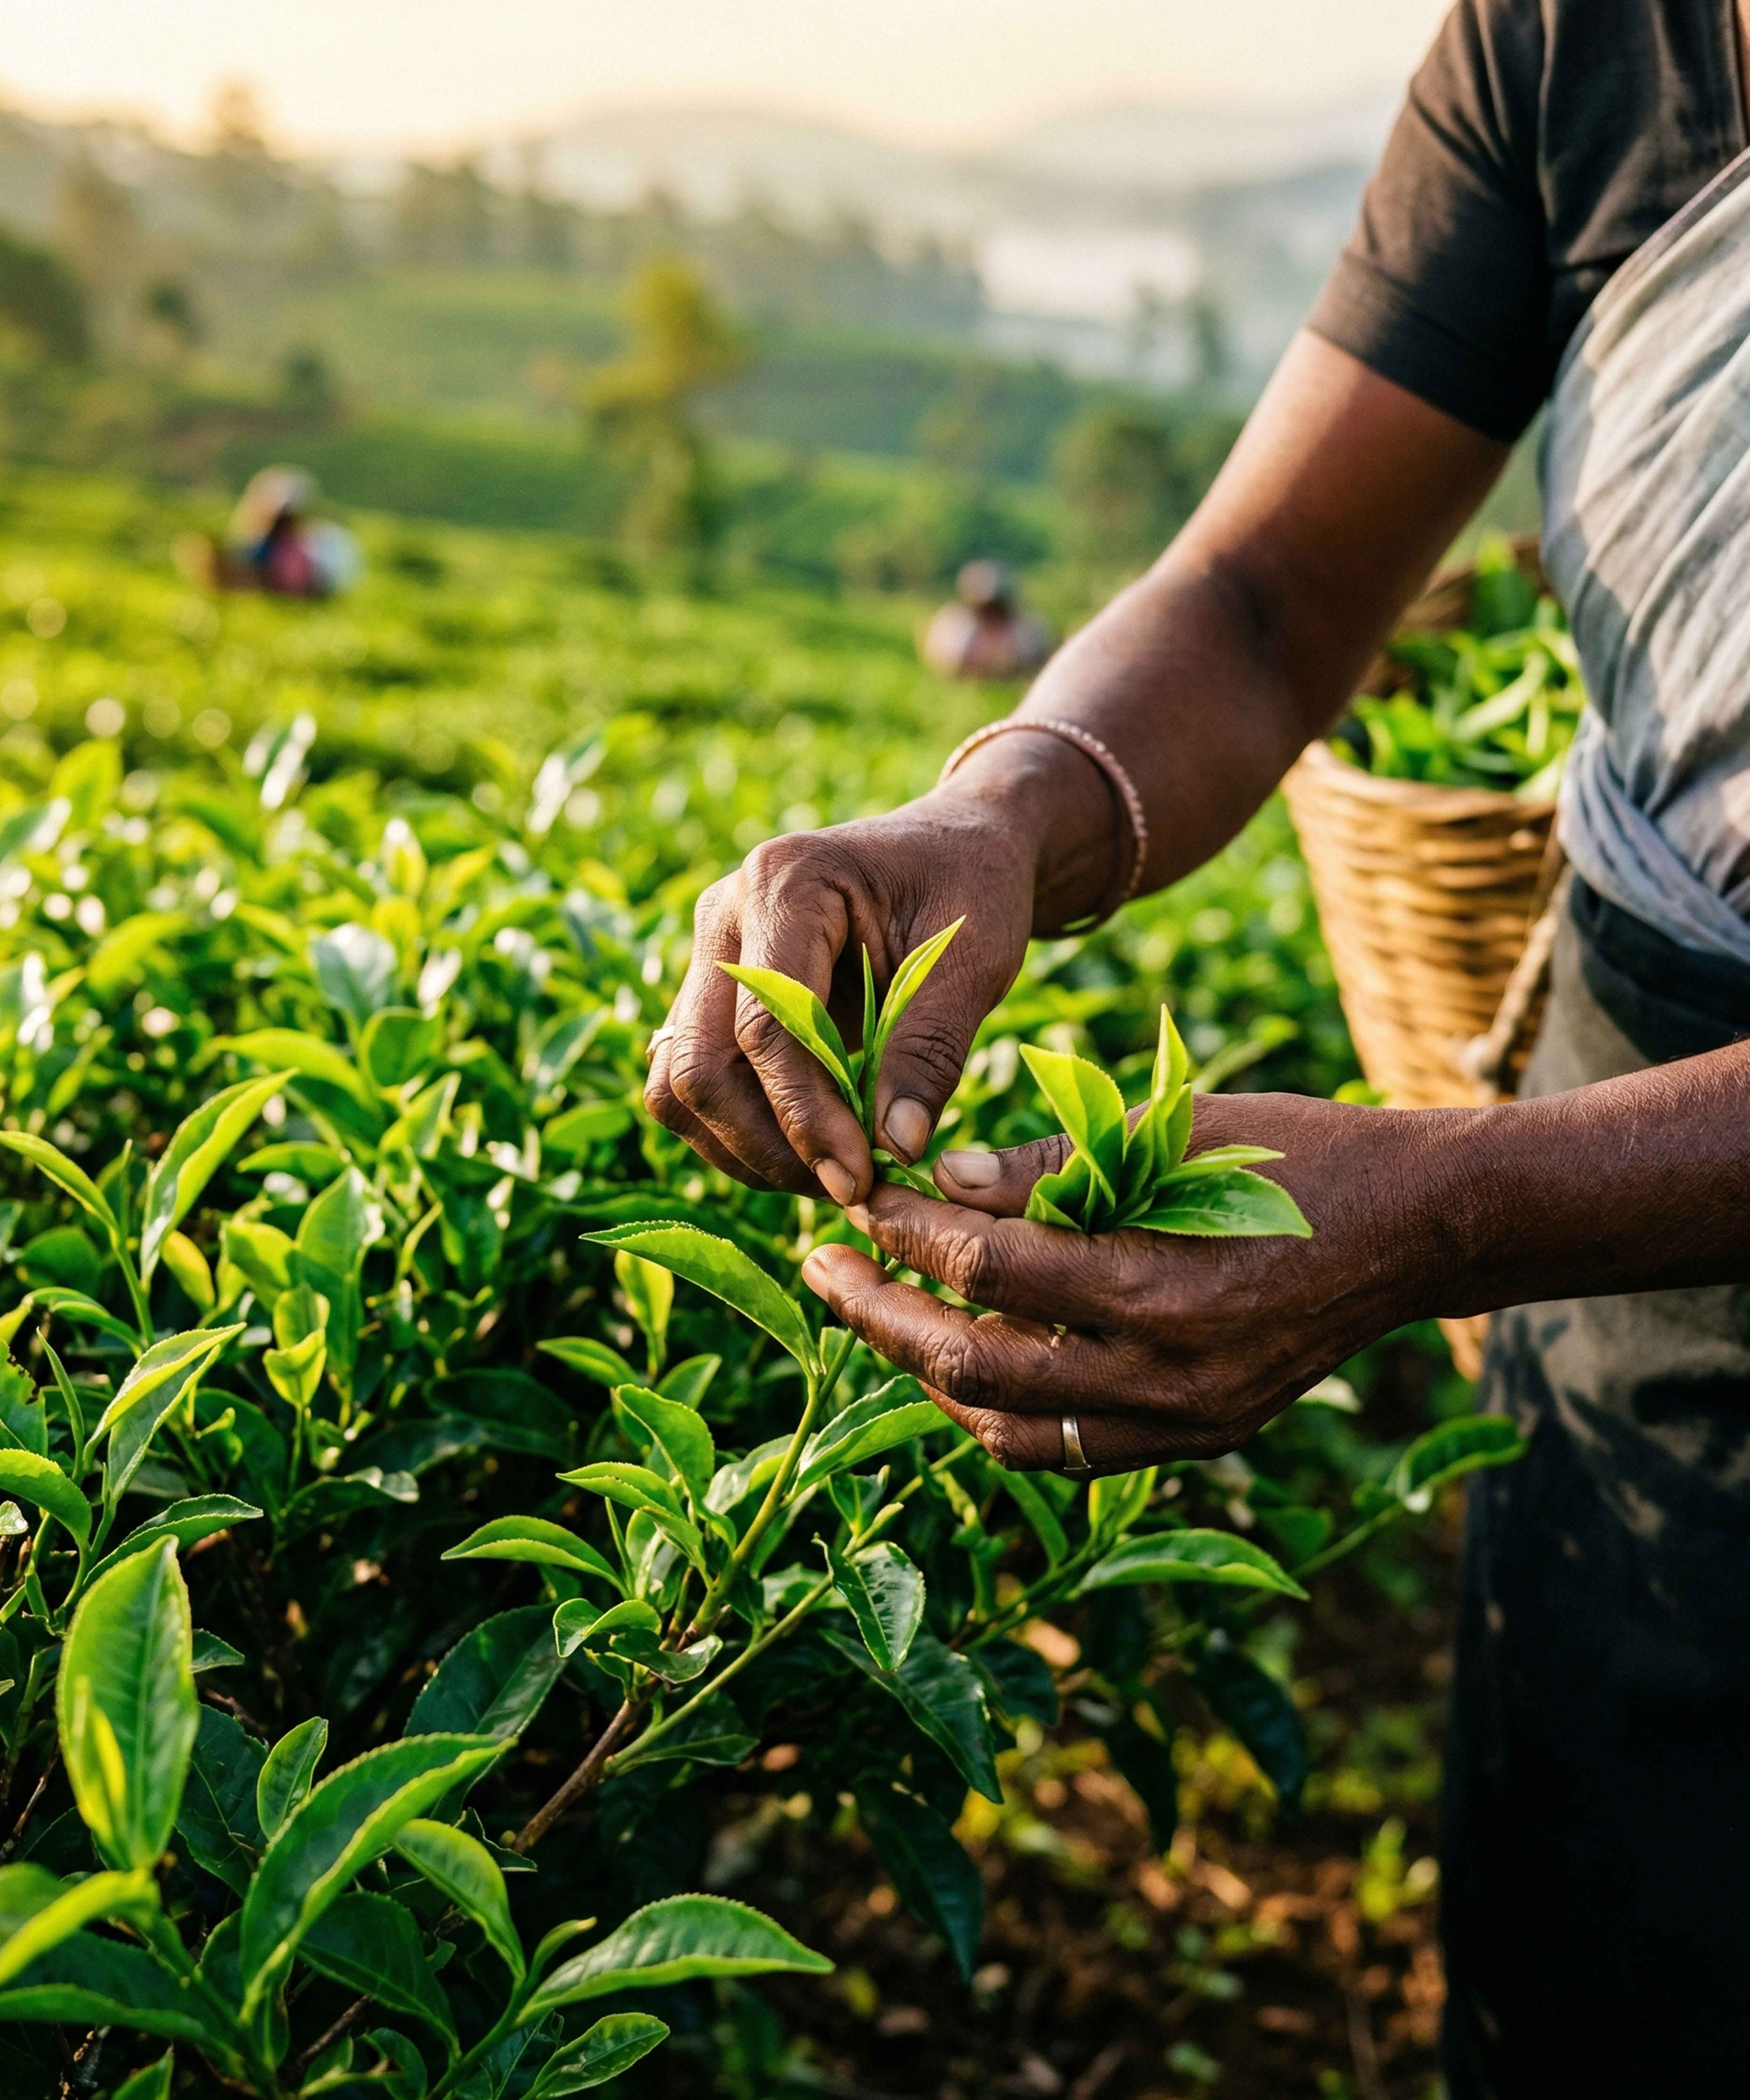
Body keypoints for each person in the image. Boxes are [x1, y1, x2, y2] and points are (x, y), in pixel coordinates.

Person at [647, 4, 1750, 2093]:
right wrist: (999, 809)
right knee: (1608, 1934)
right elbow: (1262, 598)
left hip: (1568, 1187)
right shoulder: (1572, 43)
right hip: (1617, 1211)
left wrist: (1447, 1208)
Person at [920, 559, 1055, 680]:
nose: (991, 618)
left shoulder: (1025, 627)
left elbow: (1037, 659)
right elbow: (946, 662)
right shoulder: (954, 624)